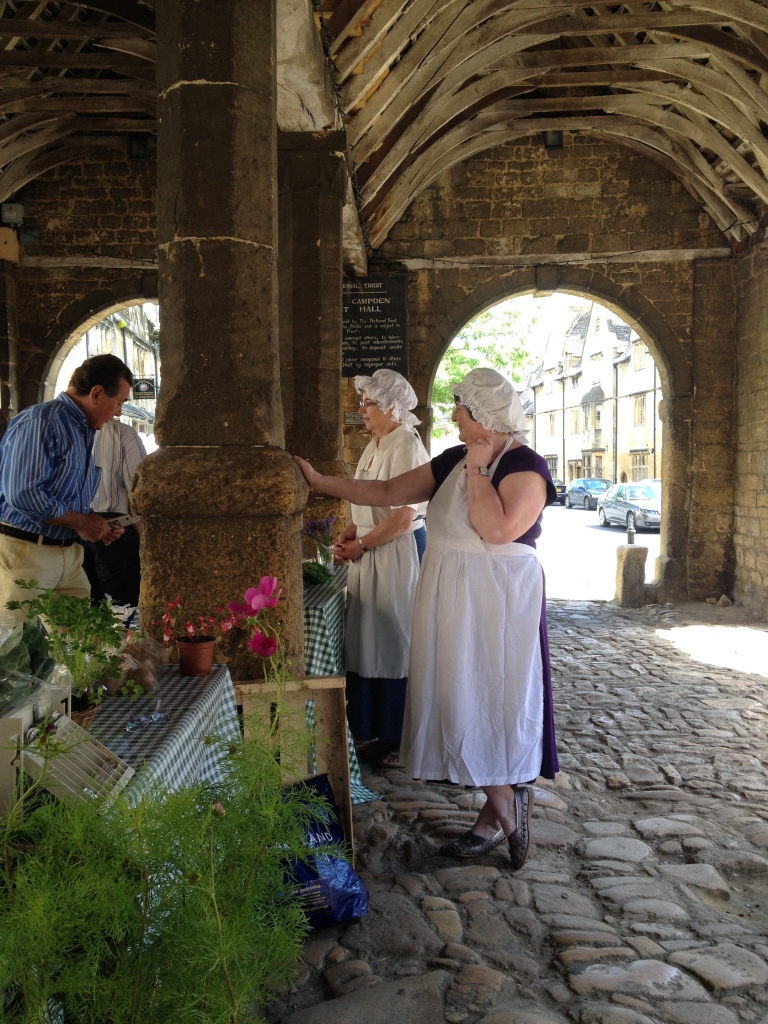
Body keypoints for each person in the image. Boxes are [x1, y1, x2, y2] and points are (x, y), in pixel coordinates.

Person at [295, 367, 559, 870]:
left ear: (483, 415)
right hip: (451, 594)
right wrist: (320, 481)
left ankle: (502, 805)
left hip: (498, 603)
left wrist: (479, 470)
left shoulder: (525, 465)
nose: (453, 414)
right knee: (452, 694)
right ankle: (501, 806)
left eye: (461, 407)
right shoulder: (454, 458)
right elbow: (387, 491)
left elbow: (497, 529)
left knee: (488, 696)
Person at [334, 369, 430, 767]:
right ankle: (374, 729)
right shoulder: (375, 444)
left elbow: (403, 516)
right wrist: (350, 531)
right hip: (371, 551)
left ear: (391, 407)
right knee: (369, 641)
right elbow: (365, 498)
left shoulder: (405, 444)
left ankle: (398, 736)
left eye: (369, 403)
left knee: (393, 640)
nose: (362, 409)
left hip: (395, 553)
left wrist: (363, 544)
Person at [0, 354, 133, 623]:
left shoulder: (82, 429)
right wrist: (81, 522)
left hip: (68, 554)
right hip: (28, 552)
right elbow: (24, 493)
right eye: (119, 402)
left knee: (81, 641)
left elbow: (64, 497)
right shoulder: (42, 421)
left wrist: (95, 525)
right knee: (18, 643)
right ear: (96, 393)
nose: (118, 412)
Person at [82, 418, 146, 608]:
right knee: (120, 608)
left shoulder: (65, 430)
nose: (119, 411)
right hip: (115, 531)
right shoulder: (122, 433)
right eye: (118, 404)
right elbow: (138, 495)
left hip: (75, 526)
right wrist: (145, 542)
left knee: (86, 606)